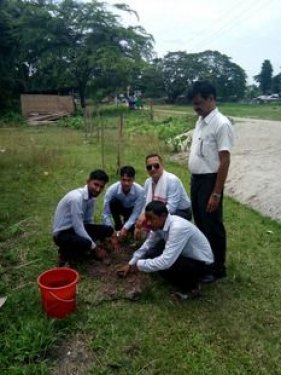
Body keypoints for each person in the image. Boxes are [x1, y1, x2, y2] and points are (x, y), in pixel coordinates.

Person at [118, 201, 214, 299]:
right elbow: (148, 244)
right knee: (151, 253)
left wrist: (139, 265)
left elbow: (166, 262)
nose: (149, 222)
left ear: (163, 216)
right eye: (147, 219)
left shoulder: (177, 228)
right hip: (186, 255)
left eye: (152, 218)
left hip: (202, 264)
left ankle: (191, 288)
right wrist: (131, 263)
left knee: (166, 264)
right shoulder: (159, 225)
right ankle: (180, 280)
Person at [188, 80, 234, 281]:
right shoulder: (200, 120)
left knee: (212, 224)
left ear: (211, 99)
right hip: (196, 180)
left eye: (199, 102)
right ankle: (206, 260)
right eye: (194, 103)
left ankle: (218, 268)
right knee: (200, 221)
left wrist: (216, 192)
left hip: (210, 181)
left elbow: (224, 160)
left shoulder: (221, 124)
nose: (195, 107)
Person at [52, 169, 114, 266]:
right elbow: (78, 227)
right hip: (62, 234)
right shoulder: (76, 198)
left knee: (108, 230)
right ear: (88, 181)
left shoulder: (92, 198)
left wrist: (94, 239)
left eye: (101, 187)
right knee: (86, 243)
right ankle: (65, 254)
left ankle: (84, 250)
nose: (98, 189)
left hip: (76, 229)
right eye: (96, 184)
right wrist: (95, 248)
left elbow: (88, 221)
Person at [134, 153, 192, 239]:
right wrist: (142, 217)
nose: (153, 169)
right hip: (159, 211)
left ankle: (161, 240)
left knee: (158, 223)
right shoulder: (148, 182)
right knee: (141, 222)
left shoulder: (172, 180)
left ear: (162, 165)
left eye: (156, 166)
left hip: (180, 212)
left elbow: (171, 208)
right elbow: (147, 203)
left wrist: (150, 218)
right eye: (149, 167)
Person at [102, 166, 144, 241]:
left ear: (134, 179)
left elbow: (136, 212)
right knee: (113, 202)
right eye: (123, 180)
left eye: (129, 180)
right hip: (118, 207)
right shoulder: (111, 190)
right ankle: (118, 225)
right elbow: (106, 213)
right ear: (120, 179)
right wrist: (110, 230)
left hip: (131, 210)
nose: (126, 183)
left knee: (130, 229)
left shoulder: (140, 191)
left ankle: (124, 226)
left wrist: (125, 228)